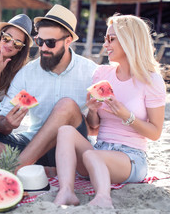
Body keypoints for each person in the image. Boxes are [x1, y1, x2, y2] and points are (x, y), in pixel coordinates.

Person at [53, 14, 166, 208]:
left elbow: (155, 133)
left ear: (130, 41)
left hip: (130, 157)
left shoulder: (151, 80)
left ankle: (103, 199)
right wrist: (93, 111)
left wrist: (127, 117)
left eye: (111, 39)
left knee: (91, 156)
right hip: (100, 148)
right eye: (105, 39)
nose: (105, 44)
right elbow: (94, 129)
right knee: (65, 131)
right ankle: (66, 191)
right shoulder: (101, 74)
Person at [0, 4, 98, 174]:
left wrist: (74, 117)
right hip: (33, 146)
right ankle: (43, 169)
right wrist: (7, 123)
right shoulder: (27, 73)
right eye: (40, 41)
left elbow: (96, 129)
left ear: (68, 41)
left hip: (73, 148)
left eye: (50, 43)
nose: (43, 48)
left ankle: (15, 167)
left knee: (66, 106)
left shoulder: (91, 72)